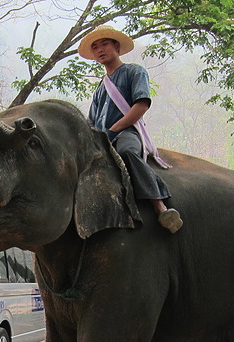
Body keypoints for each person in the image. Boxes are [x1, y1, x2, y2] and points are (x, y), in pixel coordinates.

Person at [78, 26, 182, 233]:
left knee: (127, 152)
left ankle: (159, 205)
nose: (100, 50)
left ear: (116, 46)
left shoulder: (135, 72)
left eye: (104, 44)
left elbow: (141, 105)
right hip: (102, 139)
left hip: (126, 133)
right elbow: (91, 121)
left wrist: (114, 129)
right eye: (95, 47)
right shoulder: (100, 88)